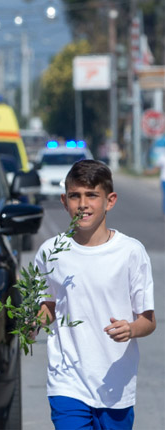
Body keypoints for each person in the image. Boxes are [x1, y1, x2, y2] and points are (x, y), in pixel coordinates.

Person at [34, 159, 156, 430]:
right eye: (75, 196)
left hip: (115, 384)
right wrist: (33, 323)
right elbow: (49, 306)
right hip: (67, 381)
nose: (83, 204)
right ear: (65, 201)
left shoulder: (130, 253)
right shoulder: (50, 252)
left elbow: (148, 321)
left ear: (110, 201)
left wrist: (131, 329)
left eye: (92, 195)